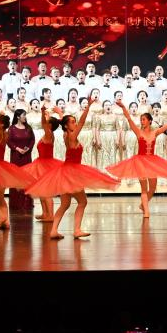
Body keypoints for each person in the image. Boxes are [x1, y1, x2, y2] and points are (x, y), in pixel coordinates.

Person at [26, 99, 120, 239]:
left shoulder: (66, 134)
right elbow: (81, 122)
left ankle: (54, 230)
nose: (75, 123)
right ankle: (76, 230)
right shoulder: (72, 135)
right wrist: (88, 106)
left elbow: (65, 122)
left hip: (66, 172)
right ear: (67, 125)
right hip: (72, 173)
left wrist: (60, 113)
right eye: (72, 122)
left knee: (65, 204)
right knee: (82, 202)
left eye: (74, 121)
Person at [109, 106, 167, 218]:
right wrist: (122, 106)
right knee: (144, 189)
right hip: (140, 162)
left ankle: (142, 205)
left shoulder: (155, 132)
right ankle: (146, 211)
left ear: (150, 121)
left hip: (152, 163)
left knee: (153, 188)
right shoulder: (138, 132)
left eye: (144, 119)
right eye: (141, 120)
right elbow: (129, 119)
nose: (142, 121)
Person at [5, 108, 35, 214]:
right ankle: (16, 203)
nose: (25, 117)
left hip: (26, 156)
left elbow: (32, 140)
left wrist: (28, 148)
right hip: (16, 156)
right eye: (23, 115)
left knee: (26, 178)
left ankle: (27, 202)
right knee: (16, 178)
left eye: (25, 115)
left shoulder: (28, 128)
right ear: (18, 117)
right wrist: (17, 148)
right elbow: (8, 141)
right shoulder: (12, 129)